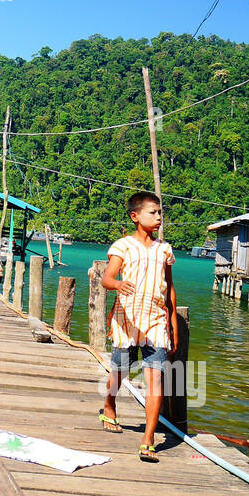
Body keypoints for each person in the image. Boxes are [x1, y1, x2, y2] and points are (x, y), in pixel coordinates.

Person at [98, 191, 178, 462]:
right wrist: (118, 284)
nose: (158, 217)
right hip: (126, 320)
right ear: (135, 216)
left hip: (156, 321)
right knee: (120, 370)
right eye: (152, 212)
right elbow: (107, 278)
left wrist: (174, 322)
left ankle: (148, 439)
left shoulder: (164, 250)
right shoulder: (122, 246)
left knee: (155, 378)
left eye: (159, 213)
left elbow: (170, 289)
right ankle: (109, 404)